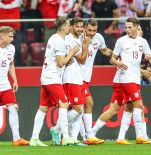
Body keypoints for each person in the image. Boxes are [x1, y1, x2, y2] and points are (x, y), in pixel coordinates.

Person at [29, 17, 79, 146]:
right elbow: (61, 62)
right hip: (52, 77)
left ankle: (34, 139)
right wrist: (72, 53)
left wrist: (67, 59)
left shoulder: (54, 38)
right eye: (68, 25)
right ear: (62, 27)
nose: (70, 27)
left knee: (43, 108)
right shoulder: (59, 41)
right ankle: (66, 136)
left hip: (47, 76)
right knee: (64, 104)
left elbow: (61, 61)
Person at [110, 17, 151, 144]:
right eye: (126, 27)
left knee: (129, 107)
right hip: (125, 77)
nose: (127, 29)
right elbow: (112, 59)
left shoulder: (143, 42)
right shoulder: (121, 41)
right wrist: (118, 62)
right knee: (139, 105)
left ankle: (120, 137)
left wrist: (150, 58)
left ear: (136, 27)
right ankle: (140, 136)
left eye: (130, 27)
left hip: (135, 78)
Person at [50, 17, 90, 146]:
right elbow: (82, 59)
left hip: (78, 77)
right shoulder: (69, 39)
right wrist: (86, 46)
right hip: (70, 78)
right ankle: (57, 129)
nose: (79, 29)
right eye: (76, 26)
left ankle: (73, 138)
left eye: (81, 26)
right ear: (71, 27)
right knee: (78, 109)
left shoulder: (77, 39)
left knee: (79, 109)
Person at [80, 19, 114, 145]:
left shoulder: (98, 37)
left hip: (86, 77)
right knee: (89, 103)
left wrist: (117, 54)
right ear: (84, 28)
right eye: (89, 30)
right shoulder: (79, 38)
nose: (92, 33)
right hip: (76, 76)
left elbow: (104, 50)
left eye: (94, 30)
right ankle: (89, 135)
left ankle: (58, 130)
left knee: (76, 108)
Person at [0, 26, 29, 146]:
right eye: (10, 36)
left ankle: (16, 139)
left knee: (13, 108)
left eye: (12, 36)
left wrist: (15, 80)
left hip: (5, 85)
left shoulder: (11, 48)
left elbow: (11, 64)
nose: (12, 39)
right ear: (2, 36)